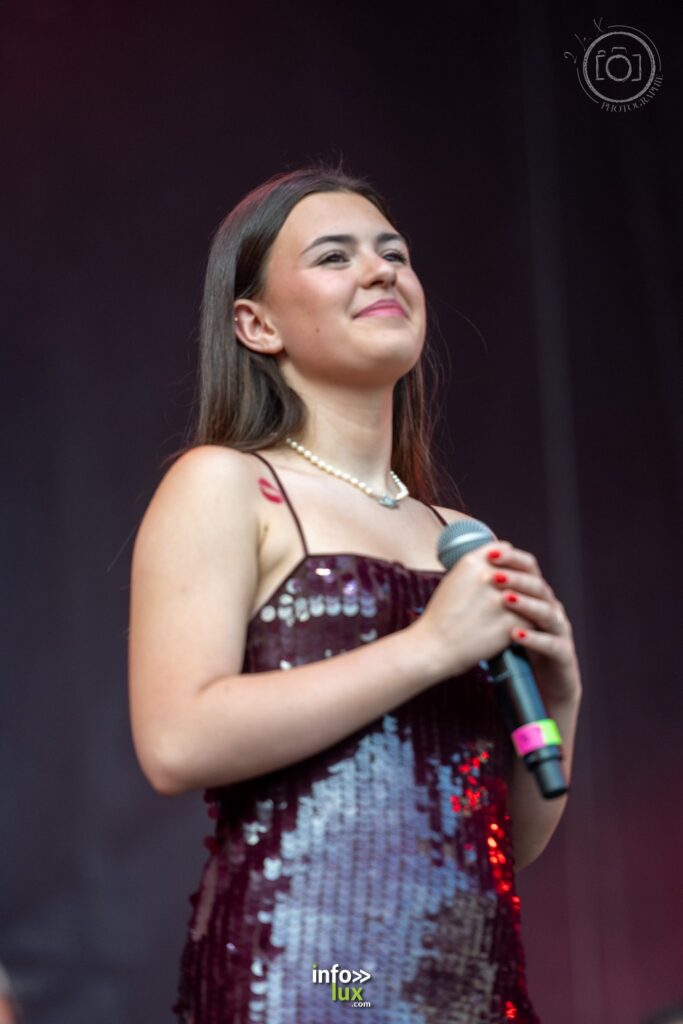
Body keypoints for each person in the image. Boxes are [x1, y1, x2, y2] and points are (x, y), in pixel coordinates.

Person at [128, 165, 583, 1023]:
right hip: (314, 978)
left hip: (472, 988)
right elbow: (176, 740)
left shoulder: (457, 531)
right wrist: (430, 648)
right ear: (256, 324)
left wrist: (558, 693)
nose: (380, 271)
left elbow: (506, 842)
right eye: (335, 257)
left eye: (394, 254)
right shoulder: (228, 485)